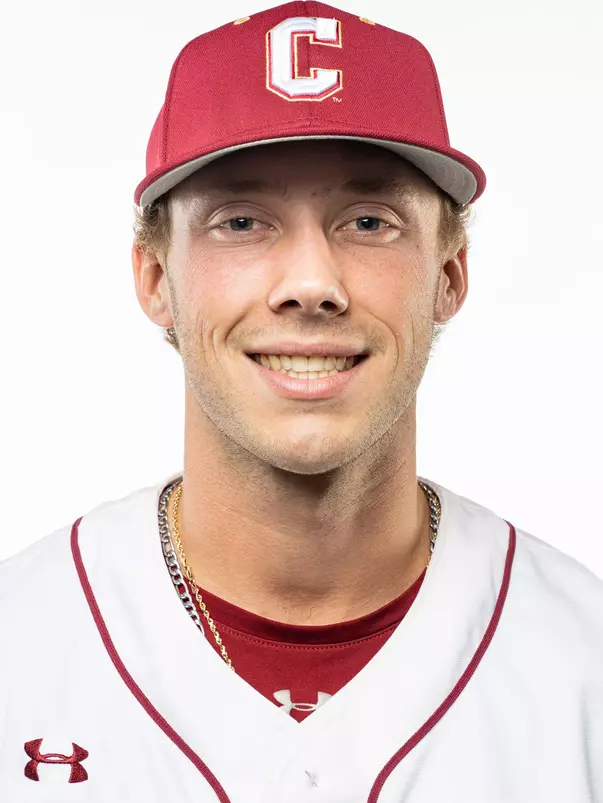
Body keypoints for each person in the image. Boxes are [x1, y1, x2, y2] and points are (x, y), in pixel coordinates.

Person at [1, 2, 602, 800]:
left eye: (368, 220)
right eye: (241, 220)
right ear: (155, 280)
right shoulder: (19, 646)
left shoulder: (583, 665)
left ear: (449, 276)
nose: (311, 284)